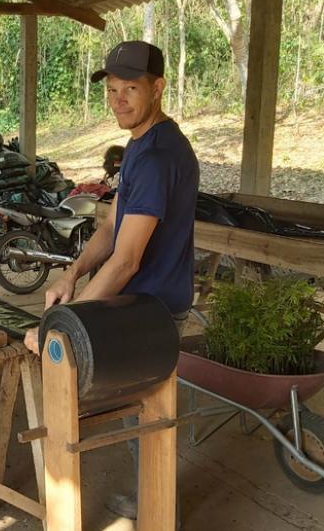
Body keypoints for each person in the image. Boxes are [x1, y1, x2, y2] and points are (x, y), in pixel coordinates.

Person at [24, 40, 199, 522]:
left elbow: (125, 261)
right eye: (113, 89)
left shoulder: (161, 155)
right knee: (137, 411)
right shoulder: (140, 148)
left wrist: (62, 321)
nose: (118, 99)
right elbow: (110, 227)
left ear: (158, 88)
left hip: (151, 310)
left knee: (146, 411)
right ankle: (154, 501)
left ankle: (162, 512)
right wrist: (71, 272)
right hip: (137, 304)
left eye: (131, 89)